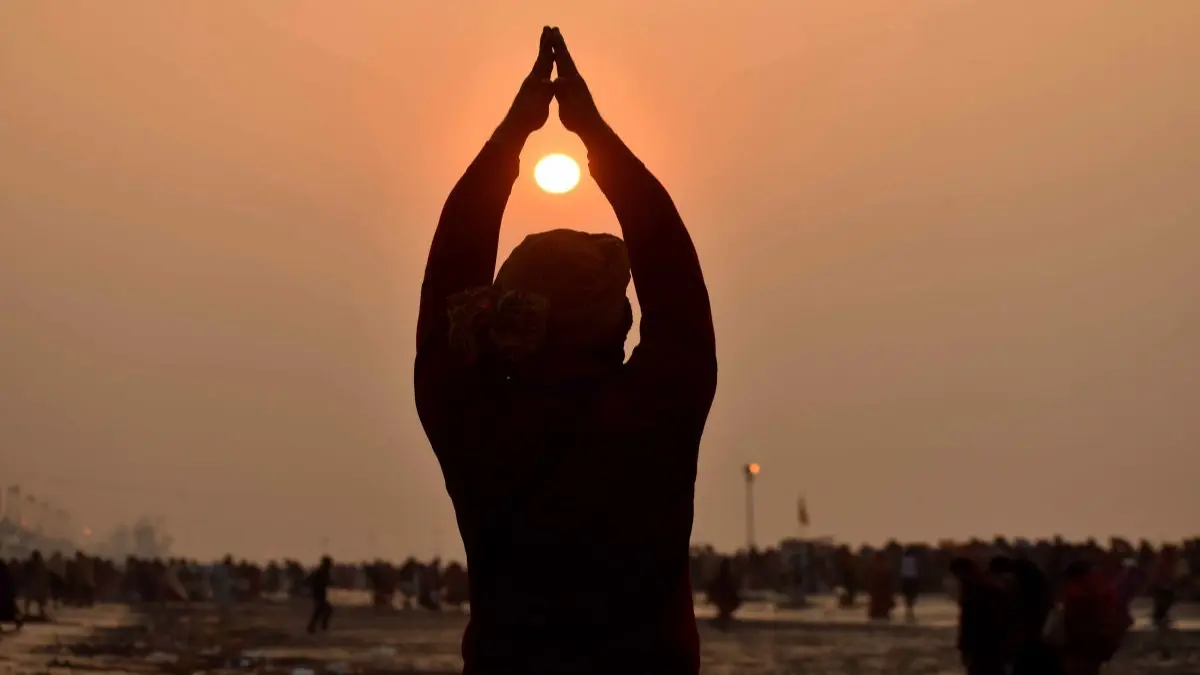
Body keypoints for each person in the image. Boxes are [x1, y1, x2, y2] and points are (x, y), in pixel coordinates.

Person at [414, 26, 717, 674]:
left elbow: (448, 274)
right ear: (616, 324)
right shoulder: (653, 413)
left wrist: (512, 136)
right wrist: (593, 133)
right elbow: (676, 282)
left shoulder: (473, 420)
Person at [306, 556, 333, 634]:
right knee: (324, 610)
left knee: (320, 611)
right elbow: (311, 580)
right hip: (318, 594)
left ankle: (314, 627)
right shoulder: (321, 571)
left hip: (320, 594)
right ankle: (317, 626)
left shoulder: (323, 571)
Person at [899, 547, 921, 621]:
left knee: (907, 596)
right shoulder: (914, 560)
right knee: (912, 596)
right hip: (912, 579)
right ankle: (910, 609)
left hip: (906, 579)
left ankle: (908, 609)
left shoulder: (903, 560)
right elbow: (917, 569)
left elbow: (901, 570)